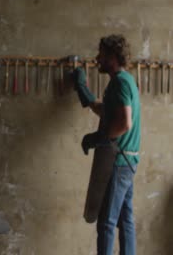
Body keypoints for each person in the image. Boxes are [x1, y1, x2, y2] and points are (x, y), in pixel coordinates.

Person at [73, 34, 141, 255]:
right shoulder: (125, 80)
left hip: (118, 161)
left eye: (101, 54)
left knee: (106, 222)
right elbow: (109, 112)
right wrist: (85, 93)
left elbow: (124, 123)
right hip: (127, 160)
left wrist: (99, 138)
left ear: (112, 56)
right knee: (125, 220)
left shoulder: (120, 82)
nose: (97, 58)